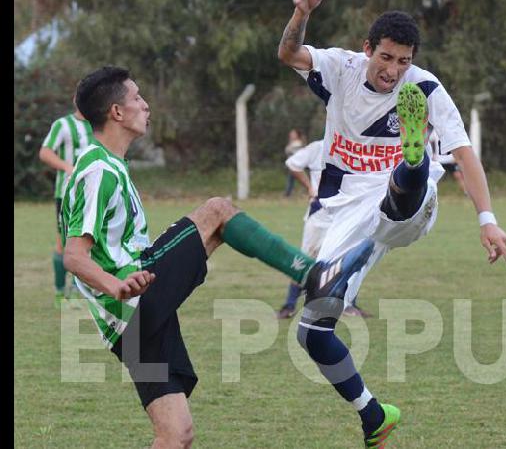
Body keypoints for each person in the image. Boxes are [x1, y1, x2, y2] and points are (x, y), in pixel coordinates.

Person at [61, 66, 375, 447]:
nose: (146, 105)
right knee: (217, 211)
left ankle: (314, 276)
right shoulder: (98, 169)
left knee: (176, 434)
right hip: (137, 297)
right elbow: (74, 256)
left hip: (129, 324)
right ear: (116, 112)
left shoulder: (110, 166)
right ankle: (313, 275)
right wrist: (119, 285)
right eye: (138, 97)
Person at [277, 0, 506, 447]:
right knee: (311, 332)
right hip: (346, 215)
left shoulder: (423, 87)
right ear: (367, 49)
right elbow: (288, 54)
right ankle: (374, 416)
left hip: (410, 204)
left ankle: (412, 157)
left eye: (403, 61)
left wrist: (488, 219)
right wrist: (301, 13)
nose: (393, 69)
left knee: (406, 184)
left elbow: (465, 154)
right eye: (385, 57)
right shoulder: (340, 68)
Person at [275, 139, 373, 320]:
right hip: (320, 215)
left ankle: (349, 305)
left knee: (352, 258)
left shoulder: (355, 147)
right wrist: (310, 187)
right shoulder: (318, 148)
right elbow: (293, 164)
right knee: (305, 260)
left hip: (347, 215)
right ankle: (289, 306)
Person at [39, 95, 93, 307]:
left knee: (91, 241)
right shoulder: (63, 125)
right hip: (67, 193)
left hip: (93, 193)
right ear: (76, 100)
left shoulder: (99, 125)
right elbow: (45, 152)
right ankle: (61, 292)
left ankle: (80, 289)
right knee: (64, 242)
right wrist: (67, 167)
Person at [430, 130, 467, 195]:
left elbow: (456, 144)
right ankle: (431, 193)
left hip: (450, 159)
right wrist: (432, 155)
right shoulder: (434, 132)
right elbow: (430, 143)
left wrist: (456, 157)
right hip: (439, 160)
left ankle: (466, 192)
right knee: (434, 178)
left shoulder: (450, 130)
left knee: (458, 176)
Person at [283, 128, 306, 197]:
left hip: (297, 164)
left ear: (297, 135)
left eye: (293, 133)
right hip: (292, 164)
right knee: (292, 179)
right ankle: (288, 193)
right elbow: (287, 151)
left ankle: (288, 193)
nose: (291, 135)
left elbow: (290, 151)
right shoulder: (292, 143)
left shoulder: (298, 143)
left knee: (297, 179)